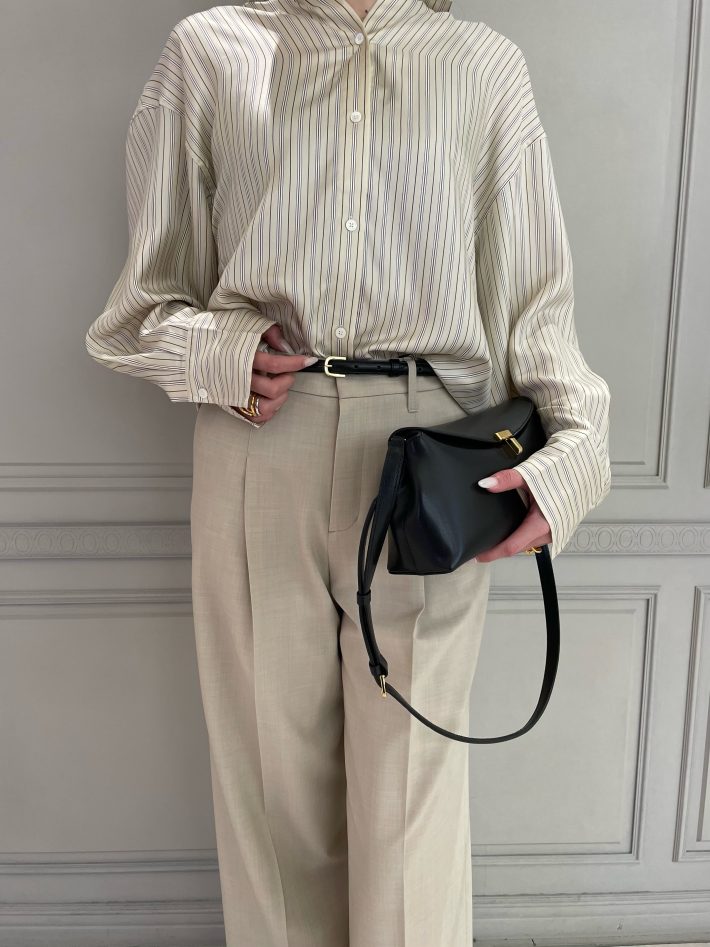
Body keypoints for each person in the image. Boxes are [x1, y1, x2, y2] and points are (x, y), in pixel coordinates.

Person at [84, 0, 611, 943]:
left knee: (413, 801)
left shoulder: (482, 66)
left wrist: (571, 457)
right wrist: (216, 349)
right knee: (271, 795)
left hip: (433, 457)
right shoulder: (211, 50)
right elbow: (143, 302)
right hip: (258, 437)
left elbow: (537, 303)